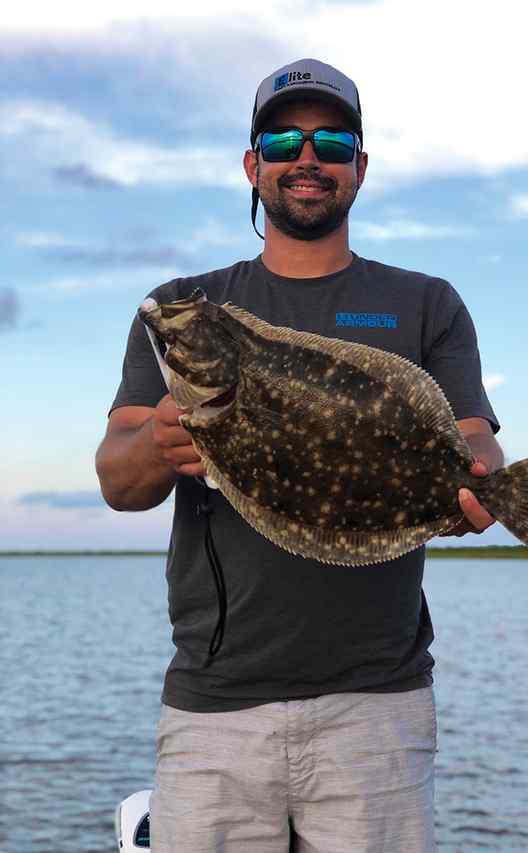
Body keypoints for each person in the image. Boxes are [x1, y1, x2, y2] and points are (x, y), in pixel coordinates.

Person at [96, 58, 503, 853]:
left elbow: (474, 436)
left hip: (378, 705)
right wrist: (158, 440)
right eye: (284, 139)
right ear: (253, 164)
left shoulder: (427, 302)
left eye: (332, 141)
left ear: (360, 166)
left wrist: (482, 480)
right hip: (215, 705)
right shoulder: (190, 305)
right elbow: (117, 476)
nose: (306, 157)